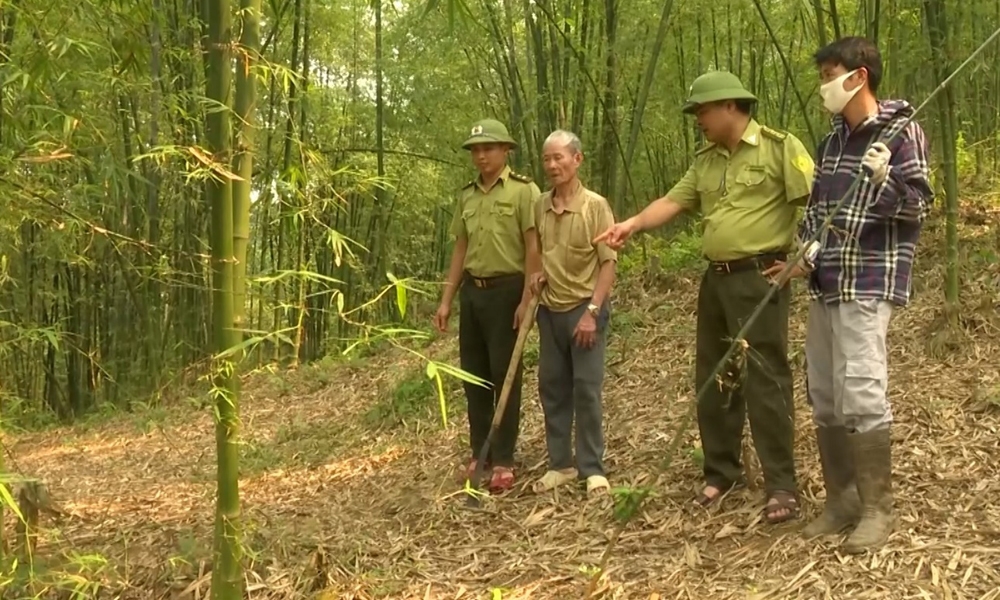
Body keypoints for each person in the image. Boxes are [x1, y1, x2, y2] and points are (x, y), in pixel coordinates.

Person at [594, 71, 815, 524]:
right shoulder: (707, 159)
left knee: (765, 377)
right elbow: (674, 201)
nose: (698, 119)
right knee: (714, 376)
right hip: (716, 281)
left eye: (702, 110)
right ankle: (721, 470)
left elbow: (820, 204)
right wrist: (631, 224)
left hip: (760, 277)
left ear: (730, 106)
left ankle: (781, 485)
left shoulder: (780, 146)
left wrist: (803, 259)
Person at [763, 37, 934, 553]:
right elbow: (818, 213)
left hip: (869, 279)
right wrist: (804, 257)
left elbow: (918, 207)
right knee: (827, 394)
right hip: (827, 280)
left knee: (862, 390)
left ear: (858, 76)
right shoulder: (832, 140)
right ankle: (842, 499)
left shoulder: (903, 132)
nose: (823, 85)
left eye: (829, 73)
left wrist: (886, 180)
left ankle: (877, 507)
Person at [433, 118, 542, 493]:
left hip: (508, 290)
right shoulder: (467, 195)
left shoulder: (524, 192)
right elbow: (460, 248)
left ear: (506, 151)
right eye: (476, 150)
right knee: (474, 377)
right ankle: (479, 452)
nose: (481, 156)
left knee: (504, 377)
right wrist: (447, 299)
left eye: (488, 149)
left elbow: (533, 247)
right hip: (473, 293)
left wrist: (528, 298)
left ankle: (505, 458)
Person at [527, 130, 617, 498]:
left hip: (585, 309)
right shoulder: (540, 205)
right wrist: (536, 277)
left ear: (577, 160)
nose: (552, 165)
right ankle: (560, 463)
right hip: (550, 310)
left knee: (586, 389)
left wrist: (592, 312)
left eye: (559, 158)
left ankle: (592, 467)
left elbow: (608, 265)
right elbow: (538, 254)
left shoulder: (596, 206)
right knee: (553, 388)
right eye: (547, 159)